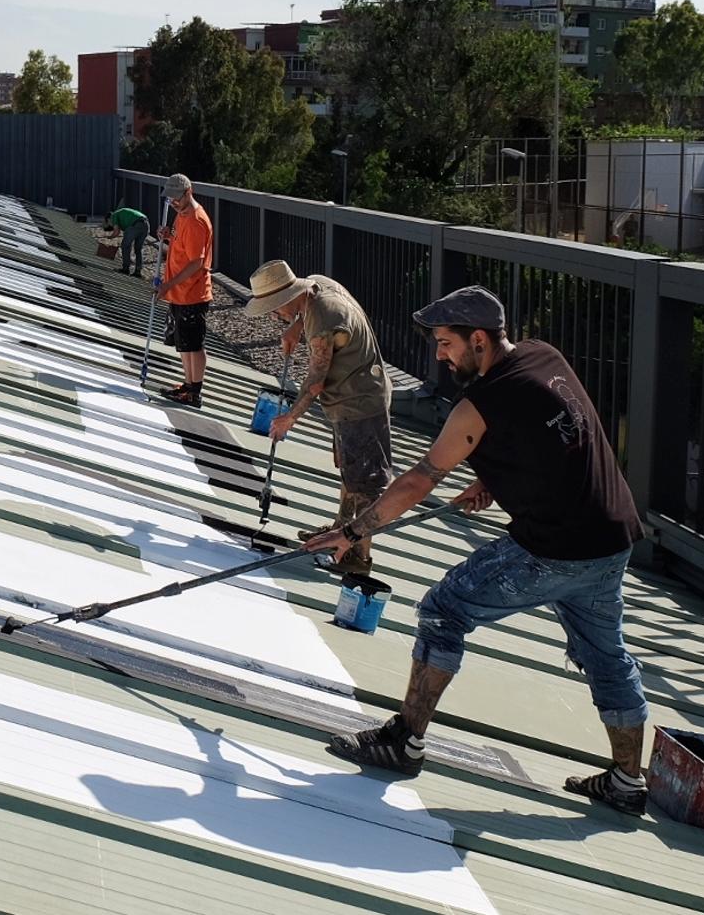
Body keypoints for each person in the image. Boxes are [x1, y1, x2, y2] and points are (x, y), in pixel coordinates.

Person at [306, 285, 651, 815]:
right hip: (611, 539)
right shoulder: (544, 357)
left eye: (447, 343)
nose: (440, 355)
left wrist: (352, 532)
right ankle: (629, 782)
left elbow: (419, 480)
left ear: (481, 341)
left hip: (554, 548)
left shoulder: (479, 405)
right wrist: (498, 478)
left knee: (444, 610)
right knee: (607, 657)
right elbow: (556, 439)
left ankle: (405, 741)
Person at [242, 262, 393, 576]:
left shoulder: (322, 319)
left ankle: (357, 558)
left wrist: (289, 419)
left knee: (364, 484)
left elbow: (315, 380)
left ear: (287, 298)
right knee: (350, 473)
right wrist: (296, 326)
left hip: (359, 401)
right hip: (352, 396)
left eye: (273, 310)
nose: (274, 316)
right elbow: (315, 312)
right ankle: (341, 529)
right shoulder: (317, 286)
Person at [154, 173, 213, 408]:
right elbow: (182, 246)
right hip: (180, 292)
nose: (174, 203)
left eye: (177, 198)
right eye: (171, 199)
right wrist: (169, 237)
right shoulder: (182, 216)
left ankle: (195, 391)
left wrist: (169, 284)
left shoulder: (196, 220)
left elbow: (196, 262)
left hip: (192, 292)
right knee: (183, 342)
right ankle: (188, 385)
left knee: (193, 343)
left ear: (189, 192)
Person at [106, 204, 152, 276]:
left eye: (109, 223)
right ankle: (138, 271)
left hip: (135, 224)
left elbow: (116, 232)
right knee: (138, 249)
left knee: (125, 246)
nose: (110, 225)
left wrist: (109, 237)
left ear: (109, 219)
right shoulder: (121, 213)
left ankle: (125, 269)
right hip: (146, 224)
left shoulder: (114, 215)